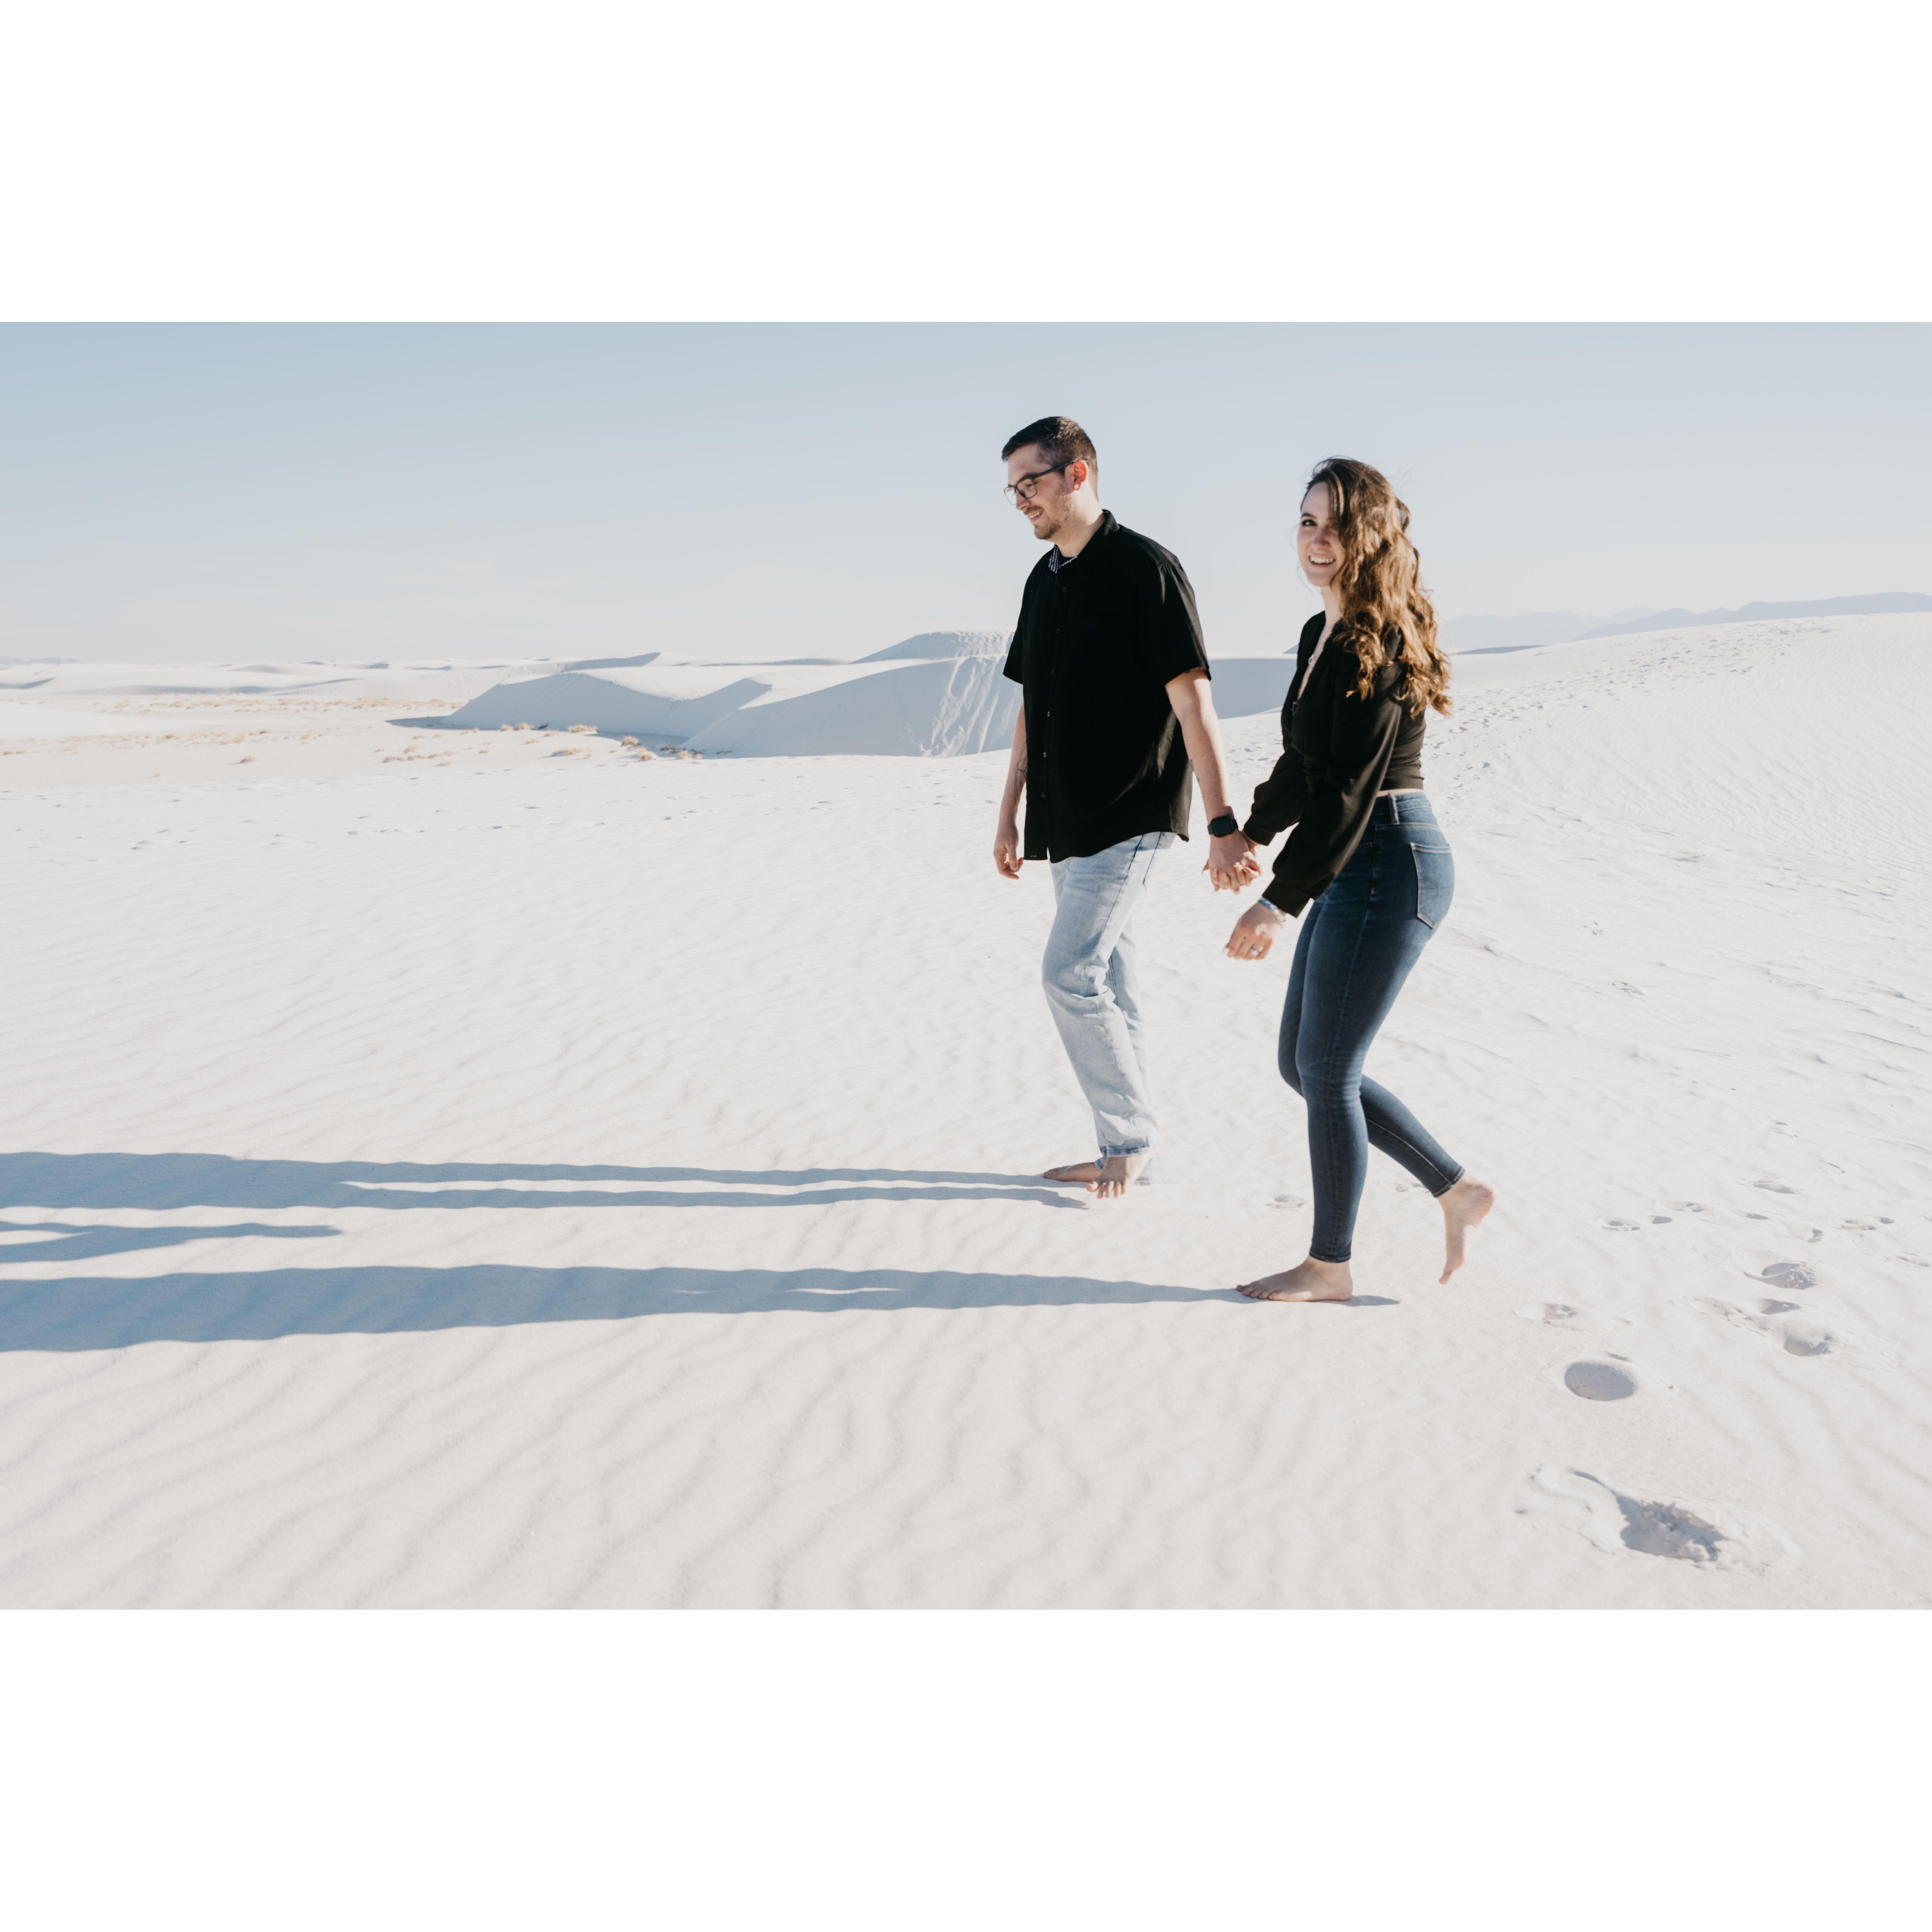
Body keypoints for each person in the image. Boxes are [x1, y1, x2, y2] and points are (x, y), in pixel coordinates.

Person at [1223, 457, 1494, 1298]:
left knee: (1328, 1069)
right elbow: (1305, 764)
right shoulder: (1321, 634)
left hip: (1389, 858)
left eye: (1335, 525)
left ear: (1370, 536)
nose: (1316, 539)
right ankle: (1455, 1188)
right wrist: (1250, 831)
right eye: (1307, 522)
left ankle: (1329, 1265)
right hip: (1355, 858)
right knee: (1302, 1064)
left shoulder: (1378, 639)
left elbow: (1347, 791)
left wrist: (1278, 902)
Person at [993, 415, 1258, 1200]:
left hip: (1131, 809)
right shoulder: (1042, 580)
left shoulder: (1146, 568)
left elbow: (1193, 700)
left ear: (1076, 474)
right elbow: (1029, 706)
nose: (1020, 500)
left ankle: (1128, 1141)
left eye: (1030, 482)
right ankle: (1136, 1145)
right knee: (1111, 978)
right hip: (1063, 816)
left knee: (1070, 972)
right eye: (1011, 489)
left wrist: (1221, 823)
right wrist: (1008, 810)